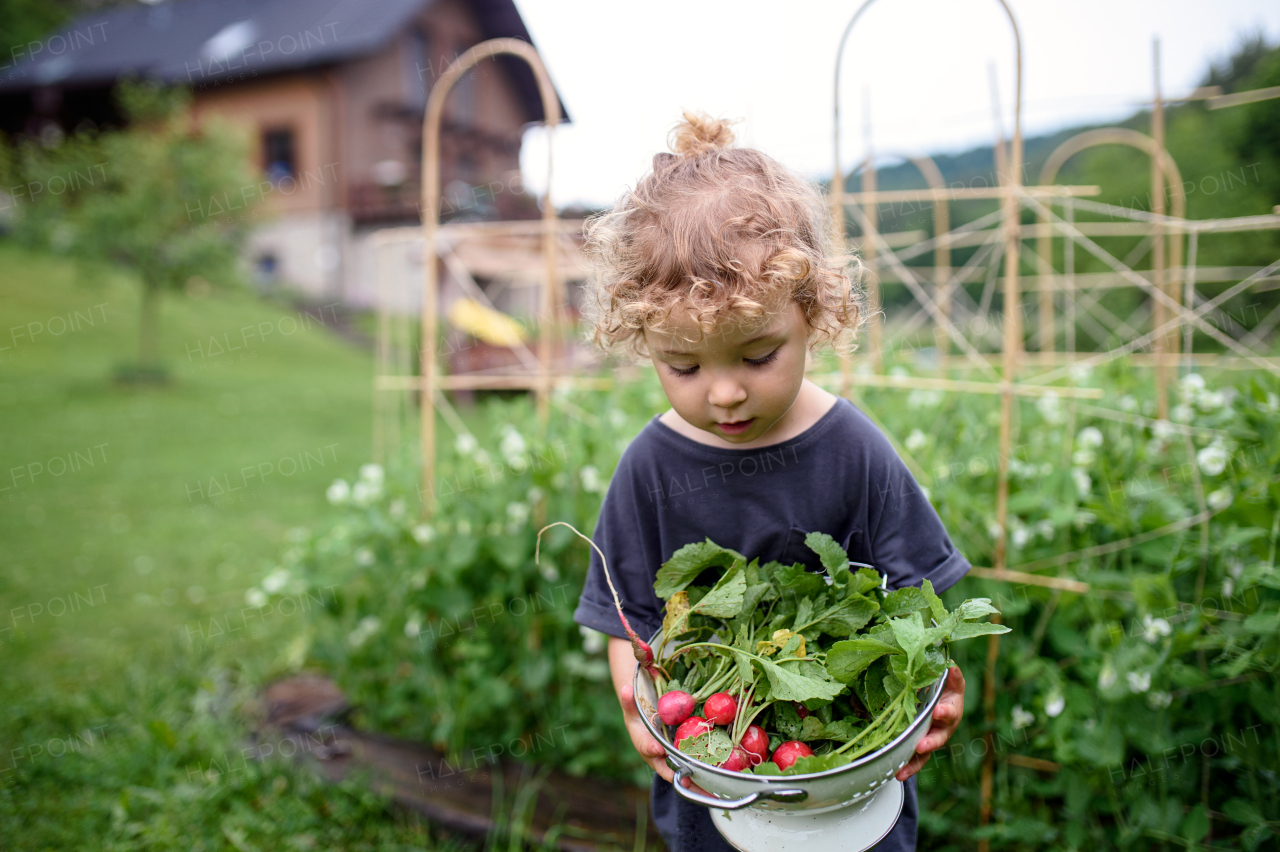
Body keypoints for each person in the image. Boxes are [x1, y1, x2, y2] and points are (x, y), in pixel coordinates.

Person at [572, 112, 970, 852]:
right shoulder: (649, 470)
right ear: (644, 343)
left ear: (813, 314)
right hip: (715, 778)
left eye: (757, 356)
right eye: (683, 366)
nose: (722, 393)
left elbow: (924, 609)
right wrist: (641, 705)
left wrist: (936, 688)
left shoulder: (854, 451)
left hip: (848, 774)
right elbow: (626, 620)